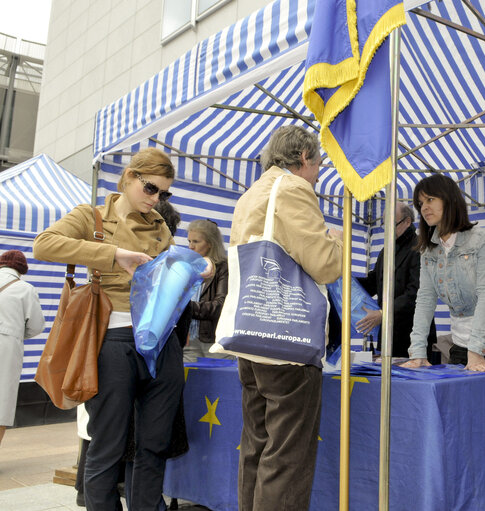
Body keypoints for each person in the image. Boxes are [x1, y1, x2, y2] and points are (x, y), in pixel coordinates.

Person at [33, 147, 213, 511]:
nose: (156, 199)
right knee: (108, 445)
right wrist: (114, 255)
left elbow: (168, 284)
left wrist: (195, 267)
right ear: (129, 176)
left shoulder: (161, 226)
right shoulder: (93, 217)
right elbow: (44, 245)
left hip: (161, 344)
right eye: (150, 189)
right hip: (112, 339)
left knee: (153, 446)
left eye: (164, 194)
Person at [229, 125, 342, 511]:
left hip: (251, 336)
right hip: (287, 343)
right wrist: (338, 239)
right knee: (287, 459)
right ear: (305, 159)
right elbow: (325, 265)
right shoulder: (293, 189)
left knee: (256, 448)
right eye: (319, 164)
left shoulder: (250, 195)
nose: (318, 173)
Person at [401, 174, 485, 372]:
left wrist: (476, 351)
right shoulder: (428, 250)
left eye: (430, 199)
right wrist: (417, 351)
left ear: (449, 199)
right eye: (420, 202)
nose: (424, 207)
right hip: (459, 345)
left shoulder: (481, 238)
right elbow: (425, 300)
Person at [357, 202, 437, 358]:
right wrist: (345, 281)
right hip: (389, 335)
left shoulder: (420, 248)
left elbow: (415, 294)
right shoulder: (386, 250)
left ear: (407, 222)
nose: (387, 229)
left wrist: (383, 313)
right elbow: (373, 282)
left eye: (392, 224)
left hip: (414, 336)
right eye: (384, 224)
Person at [0, 250, 45, 446]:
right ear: (21, 270)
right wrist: (16, 332)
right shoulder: (25, 288)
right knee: (3, 399)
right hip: (7, 344)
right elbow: (36, 325)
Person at [184, 219, 229, 361]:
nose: (191, 246)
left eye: (196, 242)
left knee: (218, 381)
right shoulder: (187, 267)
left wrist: (186, 308)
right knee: (188, 381)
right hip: (188, 338)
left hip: (215, 341)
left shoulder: (224, 268)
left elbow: (220, 306)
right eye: (189, 241)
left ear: (210, 243)